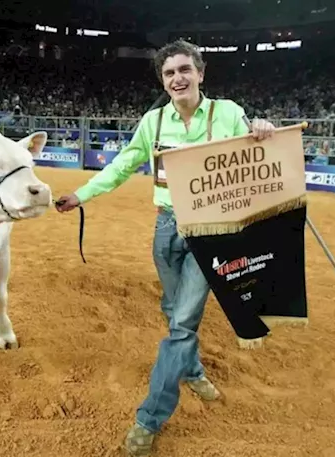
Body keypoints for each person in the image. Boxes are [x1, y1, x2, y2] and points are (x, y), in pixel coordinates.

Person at [55, 39, 276, 456]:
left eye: (184, 70)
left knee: (182, 322)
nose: (177, 78)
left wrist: (262, 130)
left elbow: (257, 145)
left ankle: (149, 419)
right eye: (169, 72)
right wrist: (82, 194)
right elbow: (123, 163)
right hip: (166, 228)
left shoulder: (227, 113)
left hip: (212, 231)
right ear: (163, 79)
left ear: (200, 73)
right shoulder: (153, 121)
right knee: (174, 311)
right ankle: (192, 370)